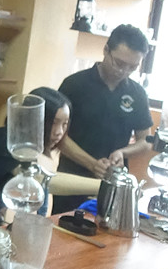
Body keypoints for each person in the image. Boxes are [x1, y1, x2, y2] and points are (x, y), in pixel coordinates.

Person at [0, 87, 101, 233]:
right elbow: (41, 179)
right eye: (53, 123)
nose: (59, 132)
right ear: (34, 119)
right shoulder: (3, 141)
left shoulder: (28, 148)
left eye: (64, 124)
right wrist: (103, 186)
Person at [54, 24, 154, 214]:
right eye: (119, 63)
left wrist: (123, 152)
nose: (124, 71)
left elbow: (146, 141)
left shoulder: (137, 93)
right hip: (72, 180)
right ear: (106, 50)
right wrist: (92, 164)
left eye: (132, 67)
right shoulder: (74, 85)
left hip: (114, 182)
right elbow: (57, 136)